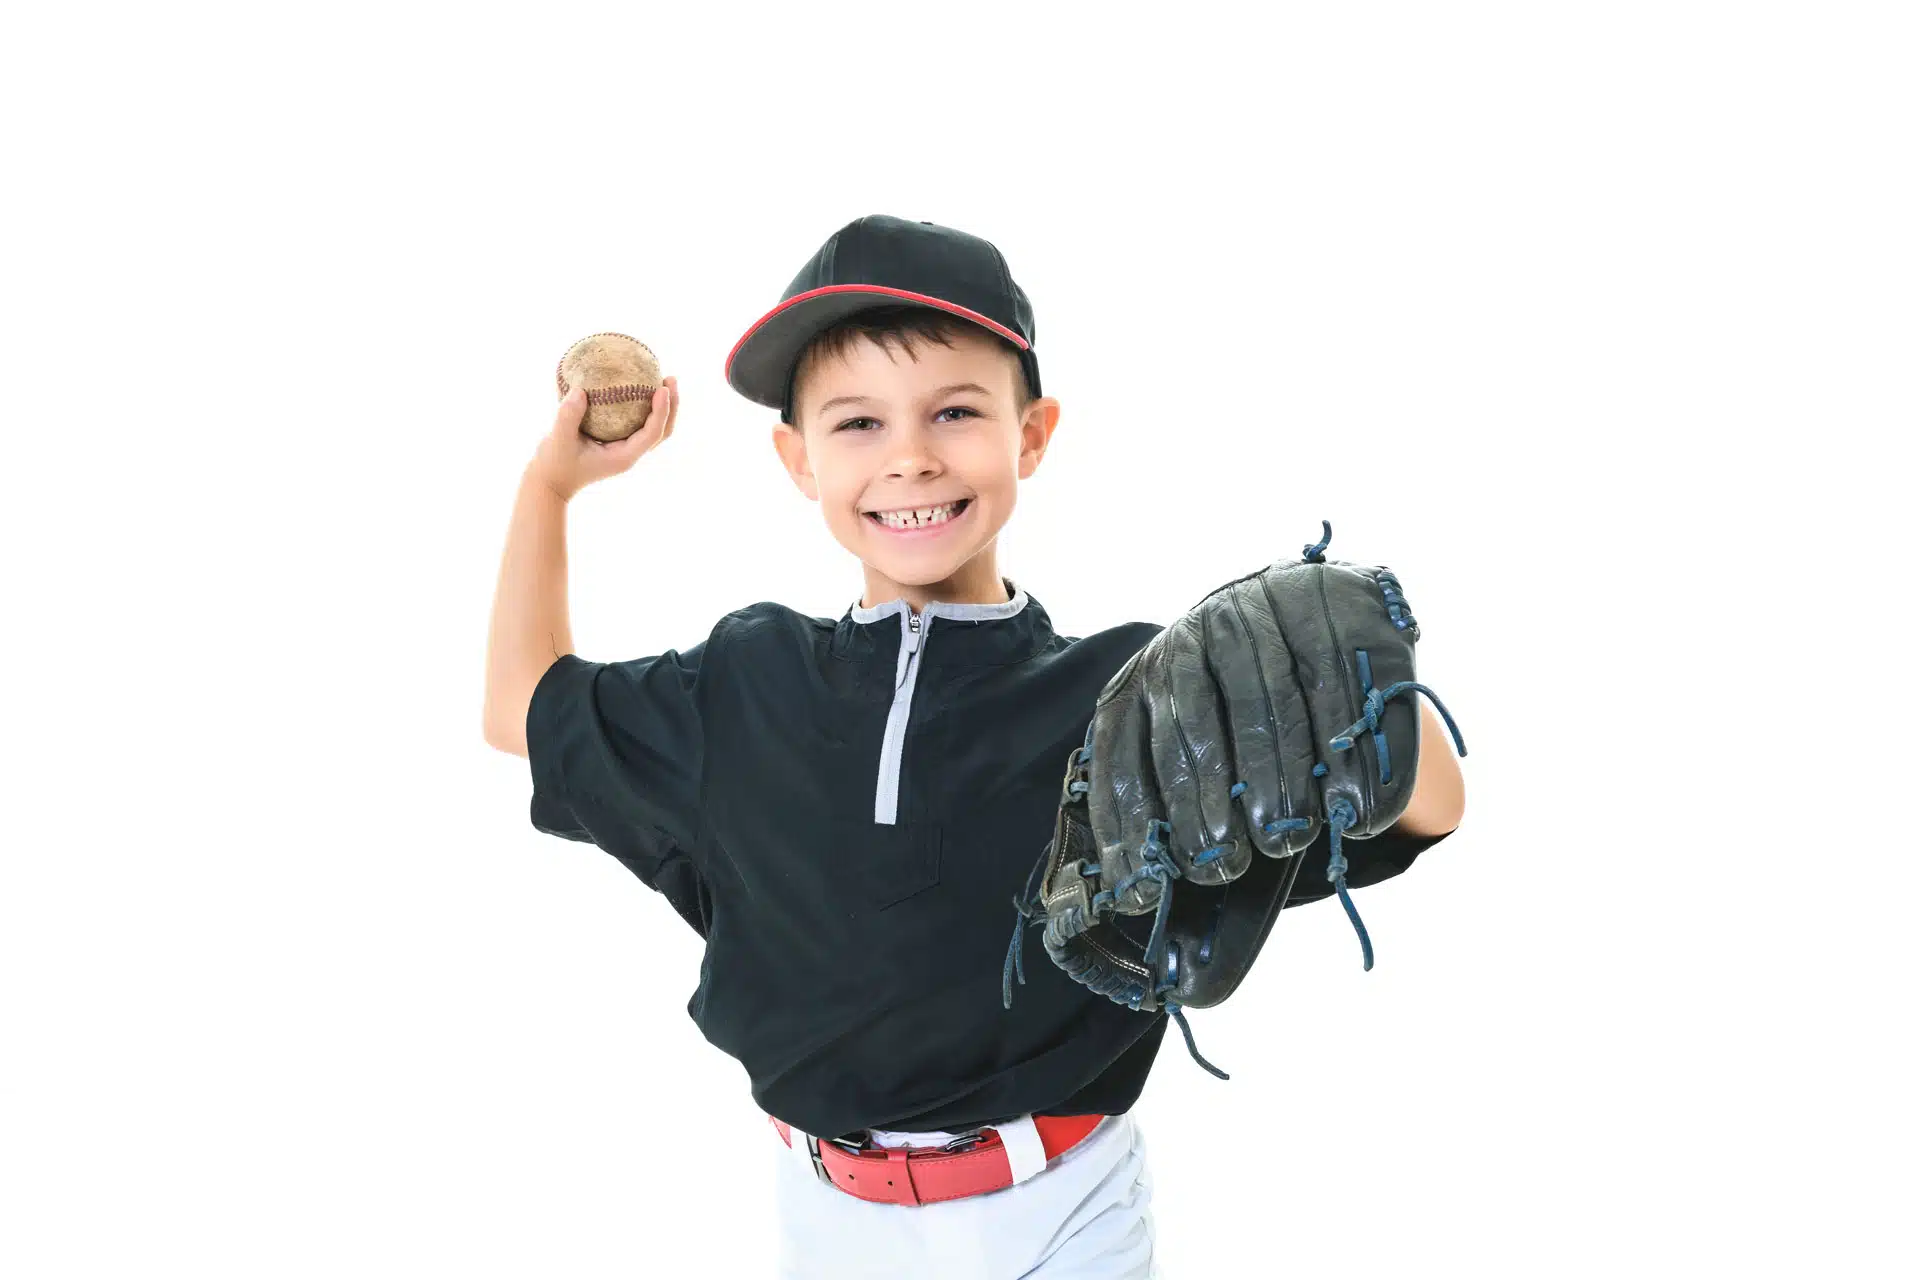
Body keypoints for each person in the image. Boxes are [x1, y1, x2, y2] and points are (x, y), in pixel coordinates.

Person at [482, 214, 1466, 1278]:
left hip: (1062, 1208)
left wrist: (1358, 683)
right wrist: (550, 487)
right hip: (829, 1215)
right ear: (796, 459)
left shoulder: (1124, 694)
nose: (909, 456)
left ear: (1030, 434)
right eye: (856, 422)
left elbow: (1427, 807)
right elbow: (519, 710)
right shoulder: (740, 683)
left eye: (955, 411)